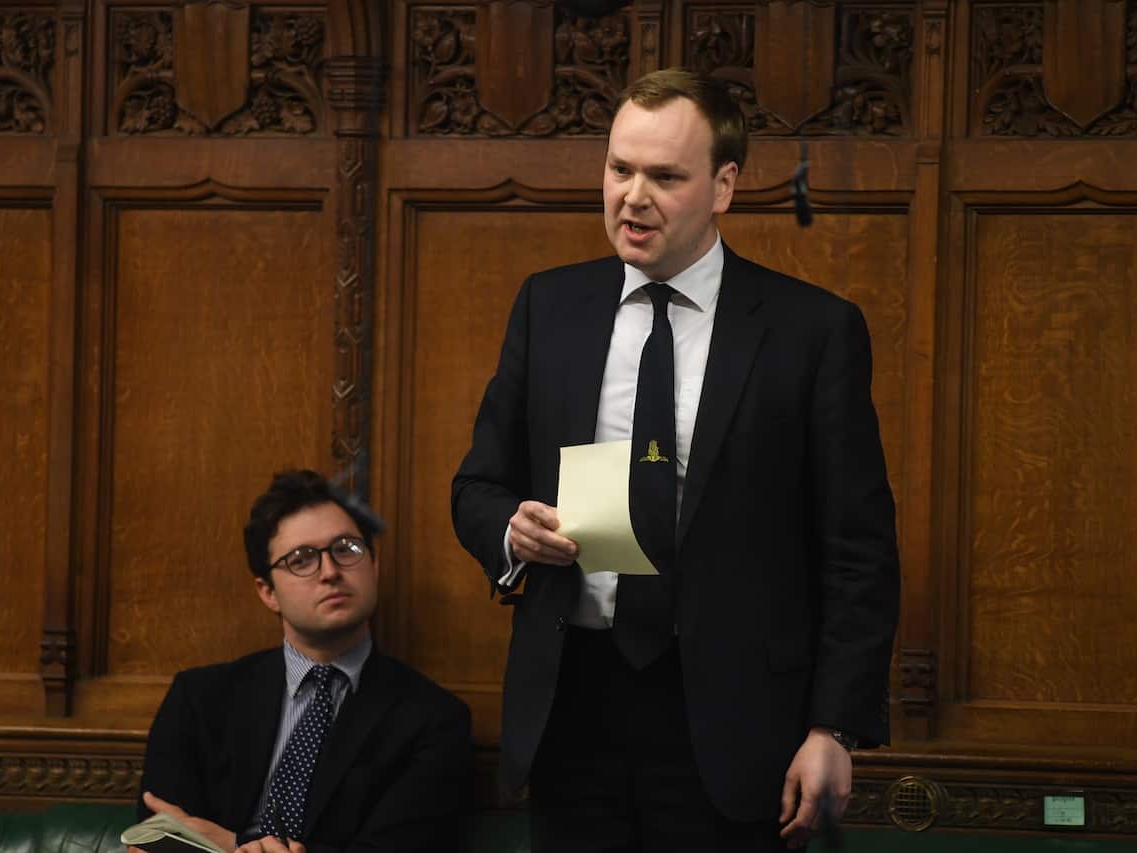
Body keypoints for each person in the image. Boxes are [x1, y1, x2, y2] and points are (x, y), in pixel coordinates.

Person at [451, 68, 899, 851]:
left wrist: (836, 726)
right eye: (619, 169)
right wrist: (511, 534)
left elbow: (858, 551)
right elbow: (479, 486)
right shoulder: (547, 307)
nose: (633, 196)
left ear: (723, 186)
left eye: (664, 176)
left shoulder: (812, 332)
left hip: (737, 722)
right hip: (573, 707)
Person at [136, 469, 472, 853]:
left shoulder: (433, 720)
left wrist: (233, 843)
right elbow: (157, 839)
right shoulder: (198, 700)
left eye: (346, 549)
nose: (330, 572)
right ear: (268, 593)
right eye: (301, 559)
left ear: (374, 567)